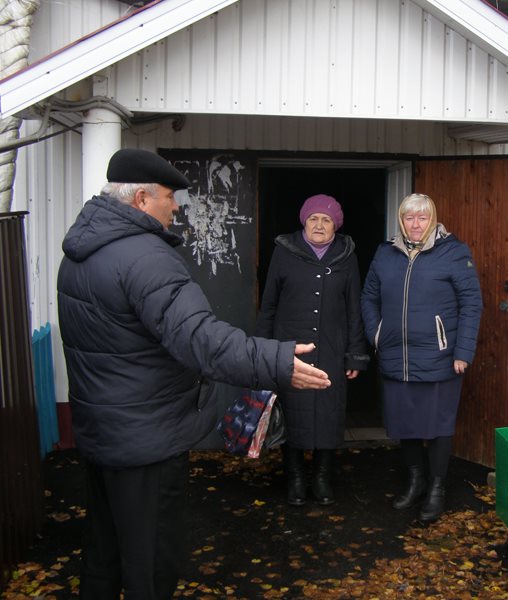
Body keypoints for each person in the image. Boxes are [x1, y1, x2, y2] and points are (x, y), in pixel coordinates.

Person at [56, 149, 331, 600]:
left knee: (103, 556)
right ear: (142, 199)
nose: (178, 205)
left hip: (103, 433)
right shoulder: (145, 257)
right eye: (170, 195)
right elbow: (200, 339)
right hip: (147, 440)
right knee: (150, 564)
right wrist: (276, 362)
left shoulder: (81, 251)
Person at [360, 193, 482, 522]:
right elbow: (368, 296)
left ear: (433, 219)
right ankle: (415, 483)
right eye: (409, 218)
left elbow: (472, 304)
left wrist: (463, 351)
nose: (416, 225)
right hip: (396, 356)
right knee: (406, 425)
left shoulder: (453, 252)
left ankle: (437, 489)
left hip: (440, 358)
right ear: (401, 221)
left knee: (438, 426)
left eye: (422, 218)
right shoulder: (386, 253)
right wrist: (377, 333)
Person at [256, 194, 369, 506]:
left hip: (332, 349)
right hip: (290, 349)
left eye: (327, 220)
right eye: (314, 218)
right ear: (304, 221)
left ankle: (321, 478)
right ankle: (294, 478)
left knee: (329, 415)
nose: (320, 225)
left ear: (336, 226)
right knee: (292, 414)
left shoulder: (346, 256)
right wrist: (262, 352)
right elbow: (268, 306)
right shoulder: (284, 251)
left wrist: (355, 353)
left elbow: (354, 308)